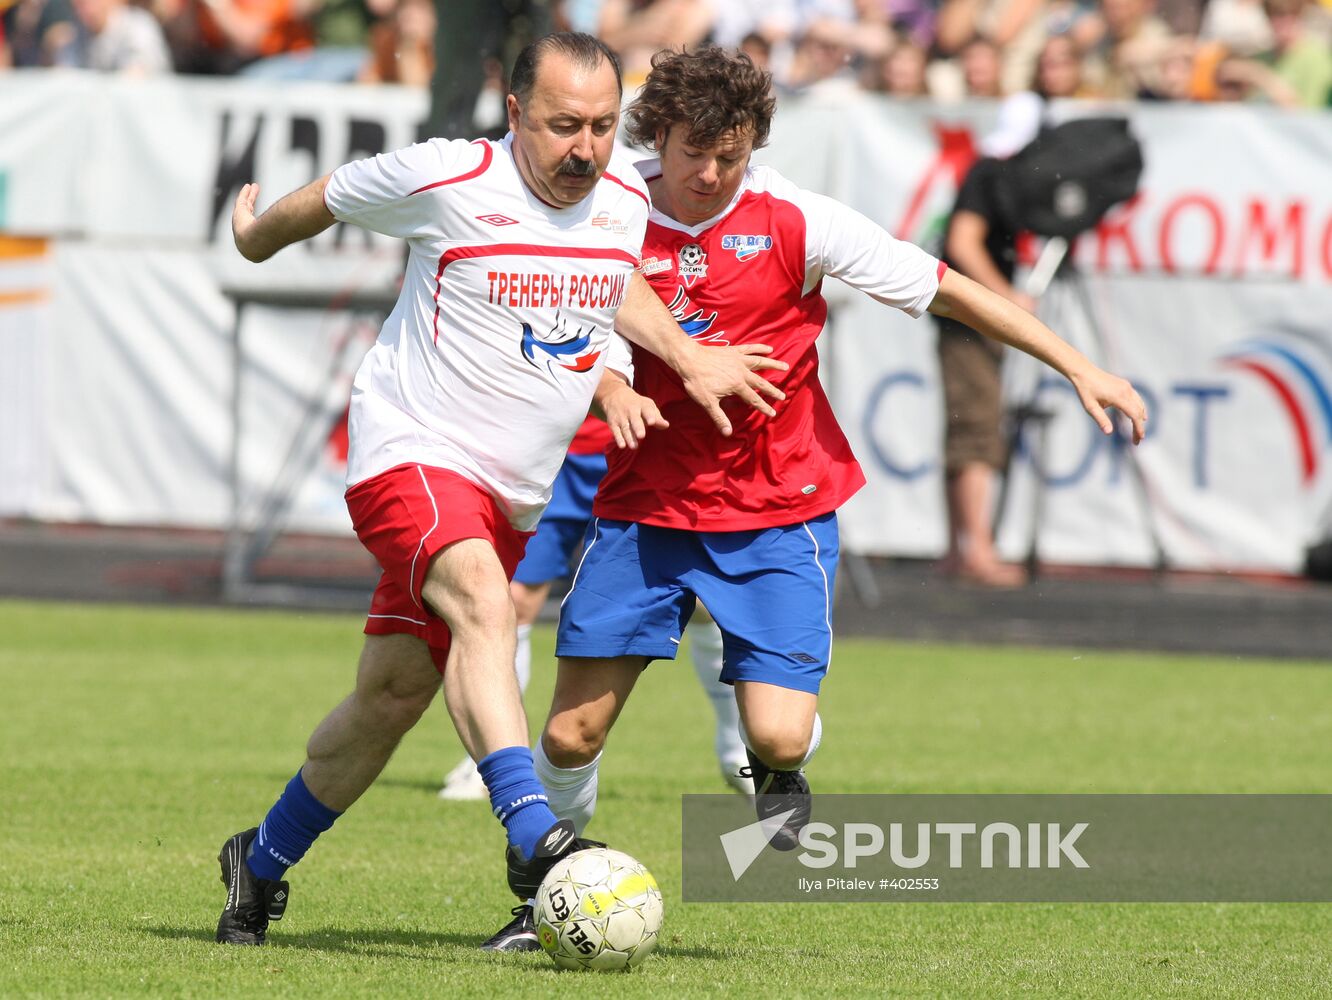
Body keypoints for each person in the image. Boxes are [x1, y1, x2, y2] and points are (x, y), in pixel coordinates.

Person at [484, 44, 1147, 947]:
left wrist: (1080, 365)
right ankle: (548, 890)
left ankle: (774, 772)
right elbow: (556, 309)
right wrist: (609, 388)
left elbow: (946, 289)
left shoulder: (797, 217)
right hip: (646, 506)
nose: (713, 173)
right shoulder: (607, 207)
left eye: (734, 153)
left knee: (784, 736)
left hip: (777, 508)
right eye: (694, 153)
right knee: (566, 739)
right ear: (657, 136)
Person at [212, 31, 786, 947]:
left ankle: (261, 859)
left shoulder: (624, 195)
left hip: (509, 494)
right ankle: (532, 843)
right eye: (564, 126)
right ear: (516, 113)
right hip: (412, 454)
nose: (585, 149)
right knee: (488, 605)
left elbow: (614, 282)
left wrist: (678, 356)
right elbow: (327, 197)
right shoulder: (447, 178)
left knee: (390, 698)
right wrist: (254, 236)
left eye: (601, 127)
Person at [438, 415, 753, 806]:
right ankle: (492, 759)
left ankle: (733, 742)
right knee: (511, 600)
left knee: (701, 602)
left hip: (644, 447)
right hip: (552, 449)